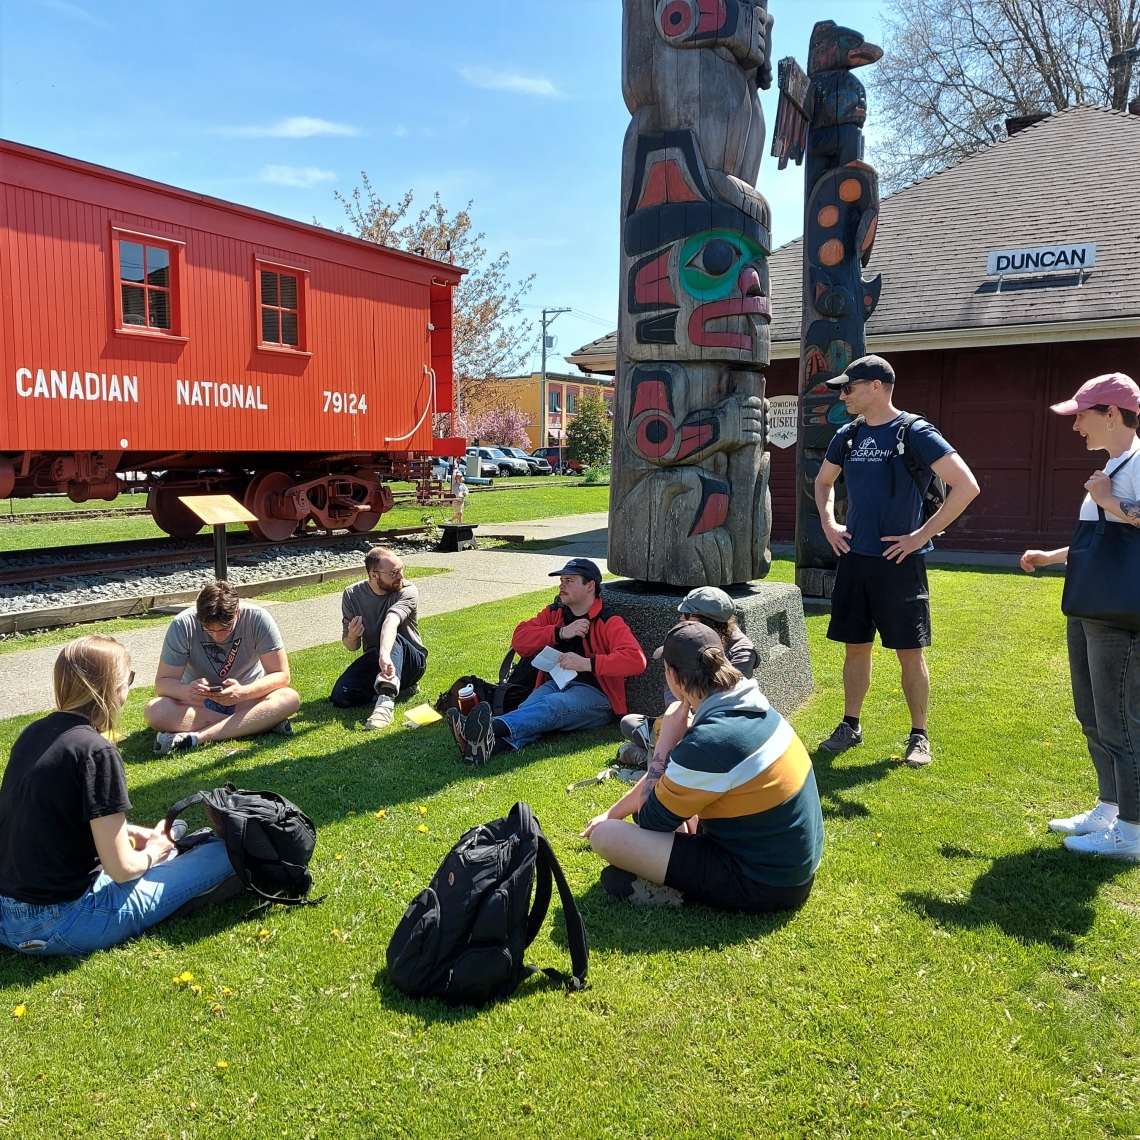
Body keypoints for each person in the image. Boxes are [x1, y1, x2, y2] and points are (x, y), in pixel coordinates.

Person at [0, 636, 241, 956]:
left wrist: (133, 833)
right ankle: (178, 866)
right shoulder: (96, 751)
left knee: (166, 846)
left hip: (8, 916)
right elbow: (121, 869)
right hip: (64, 921)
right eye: (128, 679)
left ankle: (172, 854)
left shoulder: (33, 734)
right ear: (113, 688)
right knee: (227, 852)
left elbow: (52, 815)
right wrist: (154, 850)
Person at [582, 622, 823, 912]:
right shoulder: (747, 703)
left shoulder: (710, 738)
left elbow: (649, 819)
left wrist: (665, 743)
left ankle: (680, 891)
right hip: (790, 868)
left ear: (672, 675)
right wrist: (612, 813)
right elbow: (674, 778)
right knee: (633, 823)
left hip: (764, 884)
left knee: (607, 837)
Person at [813, 354, 980, 767]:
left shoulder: (915, 431)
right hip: (855, 559)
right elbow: (822, 482)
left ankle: (918, 735)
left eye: (848, 388)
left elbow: (966, 485)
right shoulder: (848, 435)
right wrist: (830, 523)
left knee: (910, 652)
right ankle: (851, 724)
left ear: (875, 387)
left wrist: (921, 535)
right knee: (856, 649)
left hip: (900, 563)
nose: (843, 395)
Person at [1021, 373, 1140, 861]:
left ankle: (1132, 833)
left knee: (1121, 722)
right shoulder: (1113, 465)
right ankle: (1109, 810)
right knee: (1092, 715)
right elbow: (1104, 544)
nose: (1075, 427)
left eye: (1082, 416)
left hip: (1120, 615)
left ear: (1112, 414)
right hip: (1092, 603)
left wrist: (1110, 499)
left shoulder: (1133, 468)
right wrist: (1051, 556)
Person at [448, 558, 646, 764]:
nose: (562, 585)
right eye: (561, 580)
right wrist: (560, 632)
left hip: (598, 699)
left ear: (590, 586)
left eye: (569, 580)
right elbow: (519, 640)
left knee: (551, 706)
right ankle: (486, 748)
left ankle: (484, 727)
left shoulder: (608, 620)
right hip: (556, 685)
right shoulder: (555, 613)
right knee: (529, 710)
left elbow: (636, 660)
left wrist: (587, 663)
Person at [145, 580, 300, 754]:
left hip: (246, 699)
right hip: (199, 704)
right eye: (209, 629)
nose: (218, 636)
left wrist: (244, 692)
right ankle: (258, 722)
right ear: (198, 616)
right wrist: (187, 691)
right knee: (155, 711)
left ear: (238, 613)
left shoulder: (257, 618)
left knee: (290, 698)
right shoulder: (182, 624)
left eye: (225, 629)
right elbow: (163, 683)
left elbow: (281, 675)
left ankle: (197, 738)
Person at [618, 586, 758, 767]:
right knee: (629, 722)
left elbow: (727, 697)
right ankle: (661, 751)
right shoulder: (687, 637)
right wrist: (674, 717)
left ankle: (656, 757)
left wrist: (686, 723)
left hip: (717, 722)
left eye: (686, 614)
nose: (680, 618)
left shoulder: (742, 651)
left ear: (707, 621)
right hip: (686, 713)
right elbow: (674, 690)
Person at [332, 546, 427, 730]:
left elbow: (390, 622)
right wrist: (352, 635)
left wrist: (384, 655)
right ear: (373, 575)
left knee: (395, 639)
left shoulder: (407, 590)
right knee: (341, 696)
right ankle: (400, 688)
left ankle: (385, 703)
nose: (400, 576)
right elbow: (351, 646)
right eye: (394, 573)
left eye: (401, 569)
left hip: (412, 661)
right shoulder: (352, 594)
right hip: (378, 660)